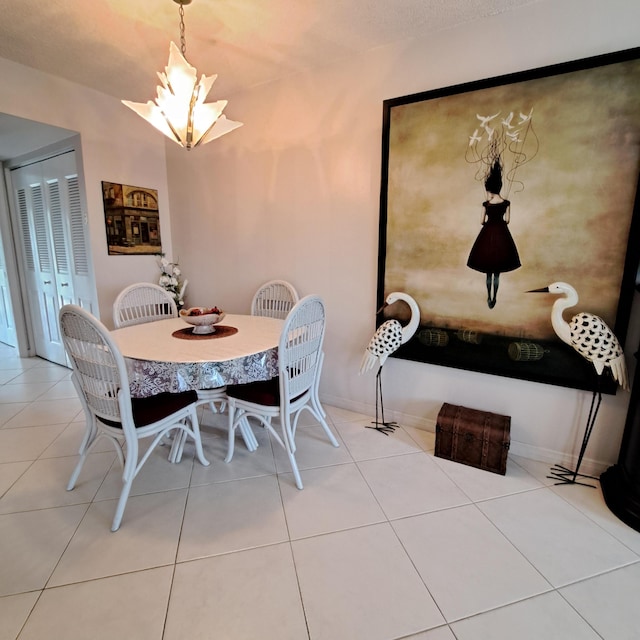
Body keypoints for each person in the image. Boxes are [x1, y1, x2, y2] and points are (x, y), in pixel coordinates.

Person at [467, 159, 521, 308]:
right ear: (500, 187)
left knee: (488, 271)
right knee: (497, 271)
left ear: (489, 188)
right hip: (502, 234)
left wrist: (489, 222)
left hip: (487, 233)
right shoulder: (506, 203)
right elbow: (508, 220)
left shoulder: (486, 204)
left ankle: (488, 297)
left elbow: (481, 221)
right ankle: (495, 297)